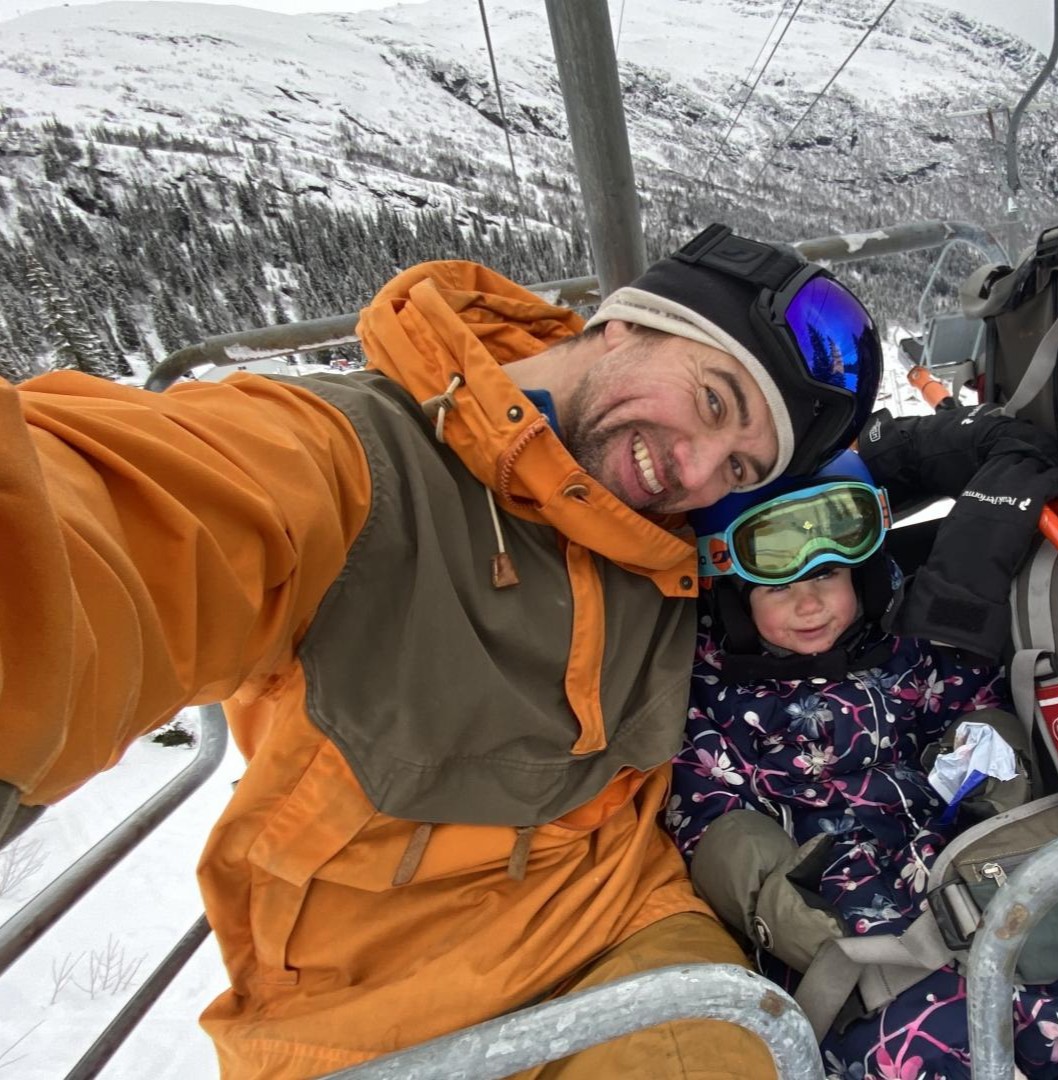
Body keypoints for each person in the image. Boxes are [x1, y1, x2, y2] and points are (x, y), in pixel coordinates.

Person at [0, 223, 884, 1079]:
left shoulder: (669, 533)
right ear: (629, 319)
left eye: (735, 469)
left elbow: (832, 520)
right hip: (373, 1007)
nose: (690, 473)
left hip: (626, 932)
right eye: (714, 400)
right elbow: (124, 519)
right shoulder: (350, 459)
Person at [666, 450, 1058, 1079]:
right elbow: (708, 808)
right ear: (733, 600)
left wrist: (986, 762)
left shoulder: (904, 651)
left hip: (955, 855)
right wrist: (775, 900)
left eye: (827, 579)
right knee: (912, 1043)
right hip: (835, 902)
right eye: (778, 587)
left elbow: (969, 699)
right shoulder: (717, 696)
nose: (810, 605)